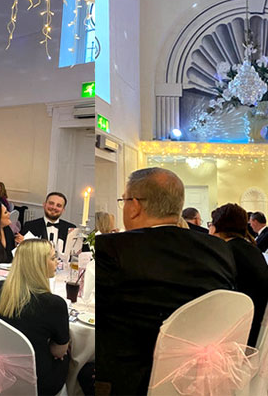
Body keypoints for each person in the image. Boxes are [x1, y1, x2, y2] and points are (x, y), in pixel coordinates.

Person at [96, 167, 237, 394]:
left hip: (131, 380)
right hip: (201, 378)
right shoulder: (219, 249)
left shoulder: (112, 248)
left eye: (123, 201)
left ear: (135, 206)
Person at [0, 239, 71, 396]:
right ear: (38, 265)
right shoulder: (54, 304)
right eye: (53, 258)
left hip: (1, 370)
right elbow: (59, 352)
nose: (57, 263)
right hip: (38, 381)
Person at [211, 203, 268, 346]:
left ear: (218, 226)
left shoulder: (225, 252)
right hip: (255, 322)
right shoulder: (251, 248)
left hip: (239, 333)